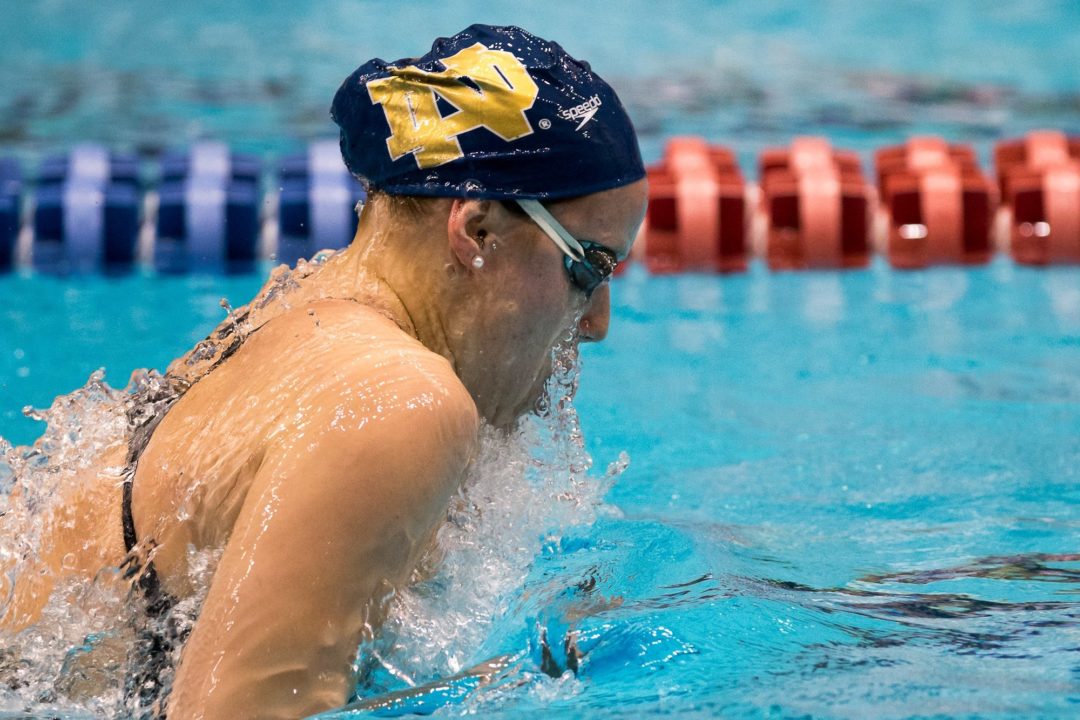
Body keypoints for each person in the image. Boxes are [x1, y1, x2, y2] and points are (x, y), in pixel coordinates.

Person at [0, 24, 647, 719]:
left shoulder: (299, 314)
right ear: (478, 232)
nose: (597, 321)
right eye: (591, 266)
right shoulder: (398, 404)